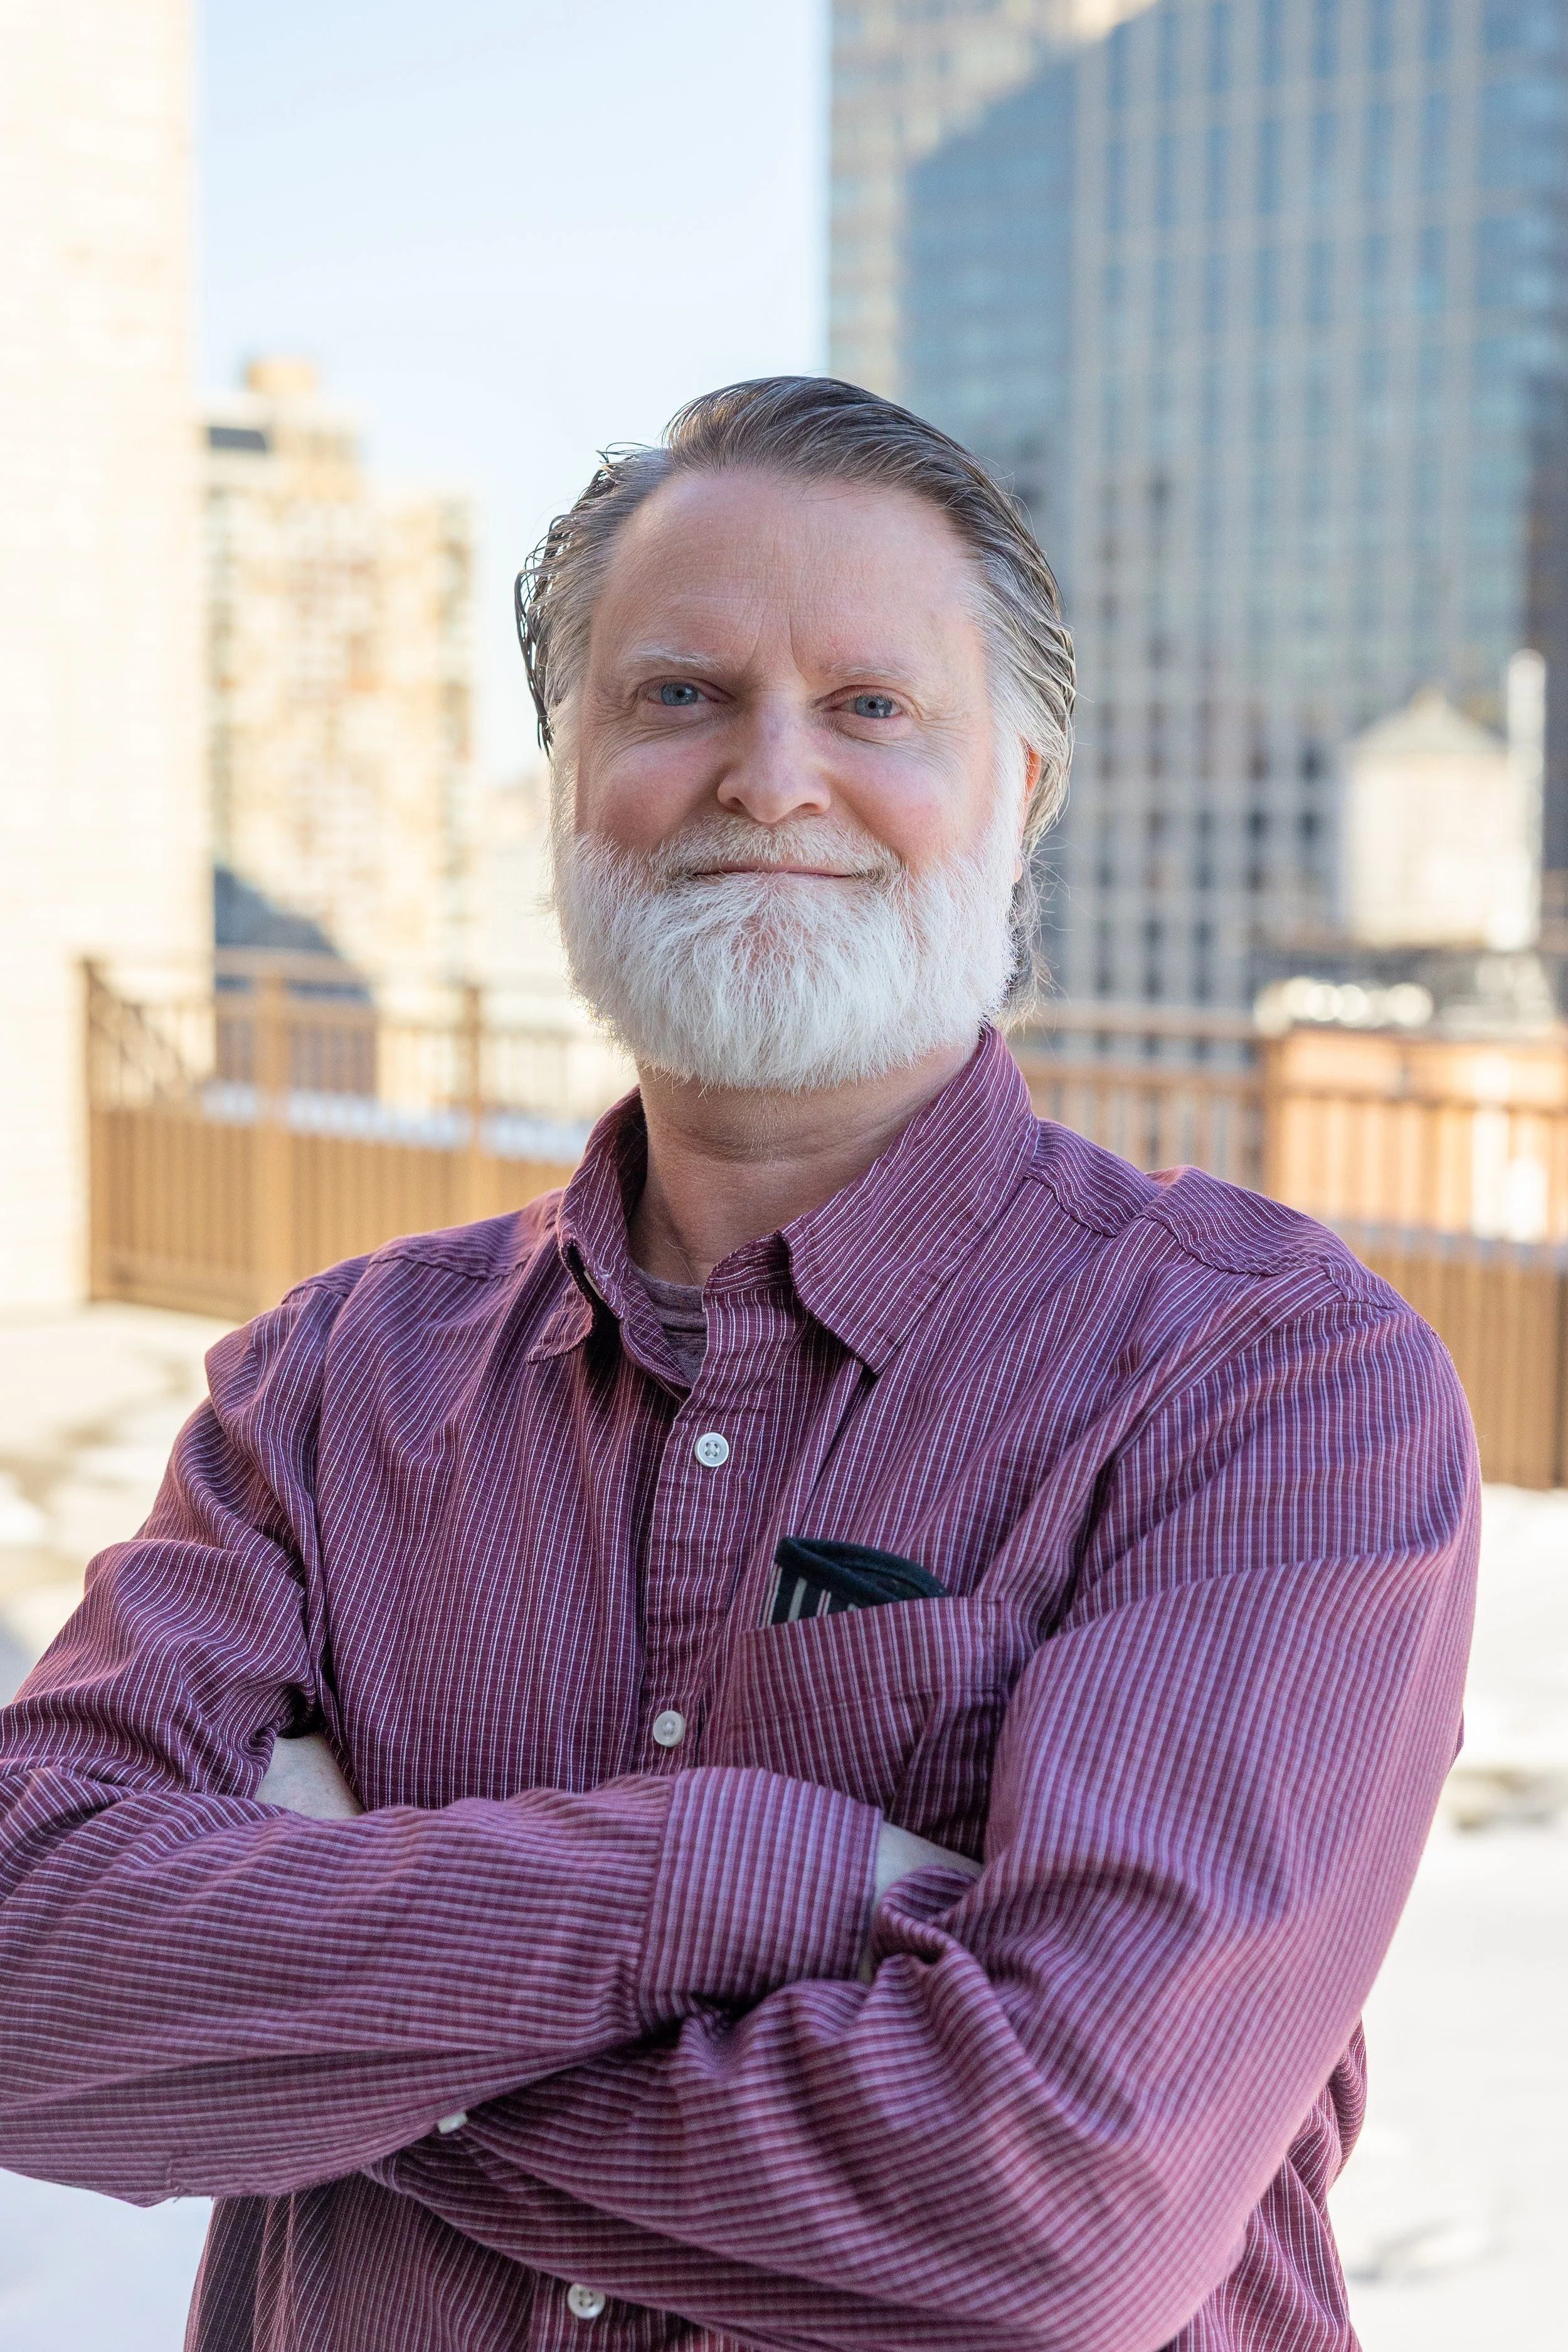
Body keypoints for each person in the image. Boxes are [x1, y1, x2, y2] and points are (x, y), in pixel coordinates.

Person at [0, 378, 1476, 2352]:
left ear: (1020, 782)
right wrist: (728, 1875)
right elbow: (27, 1960)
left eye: (870, 704)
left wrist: (322, 2019)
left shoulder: (1266, 1380)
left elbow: (1054, 2210)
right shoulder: (333, 1378)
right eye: (676, 694)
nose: (769, 777)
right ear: (566, 773)